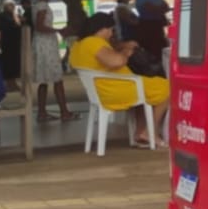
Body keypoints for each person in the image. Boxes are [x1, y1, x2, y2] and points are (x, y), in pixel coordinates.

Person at [69, 12, 169, 147]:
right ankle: (151, 132)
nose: (111, 34)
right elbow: (116, 61)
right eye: (110, 30)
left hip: (103, 91)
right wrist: (125, 53)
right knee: (168, 87)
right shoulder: (93, 43)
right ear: (102, 29)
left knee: (147, 90)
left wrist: (122, 46)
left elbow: (106, 52)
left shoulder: (79, 45)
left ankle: (140, 133)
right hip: (116, 90)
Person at [30, 0, 75, 122]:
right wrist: (58, 30)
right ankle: (64, 112)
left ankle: (42, 112)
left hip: (42, 44)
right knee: (57, 79)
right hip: (46, 46)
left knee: (44, 81)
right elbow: (39, 26)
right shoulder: (42, 6)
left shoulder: (38, 5)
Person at [0, 0, 22, 81]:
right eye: (10, 5)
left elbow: (18, 25)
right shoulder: (2, 16)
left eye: (13, 5)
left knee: (15, 60)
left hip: (15, 41)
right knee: (8, 60)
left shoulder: (14, 15)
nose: (12, 7)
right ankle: (9, 79)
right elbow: (0, 29)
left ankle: (14, 78)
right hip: (7, 41)